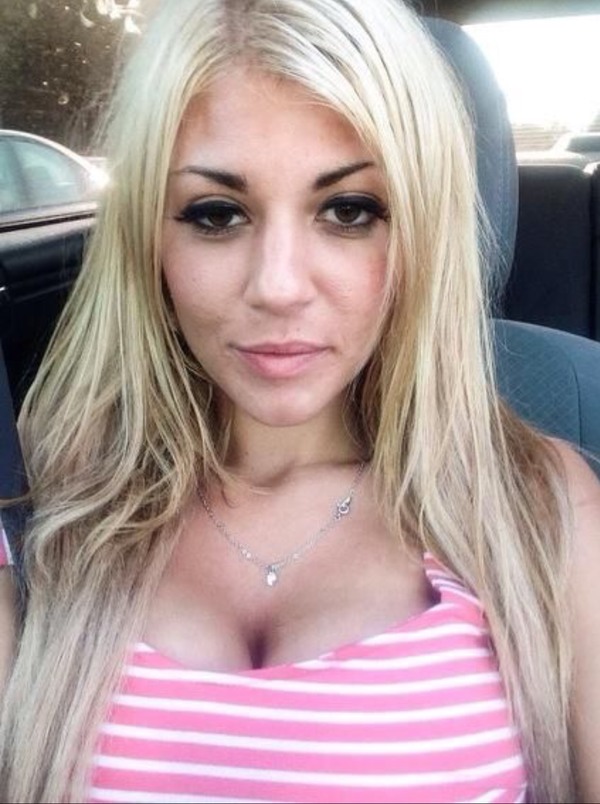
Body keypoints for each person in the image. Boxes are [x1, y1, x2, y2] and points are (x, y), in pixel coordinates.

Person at [0, 0, 598, 801]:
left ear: (421, 230)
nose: (278, 286)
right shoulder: (42, 496)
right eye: (217, 214)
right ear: (149, 237)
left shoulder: (540, 506)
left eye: (349, 211)